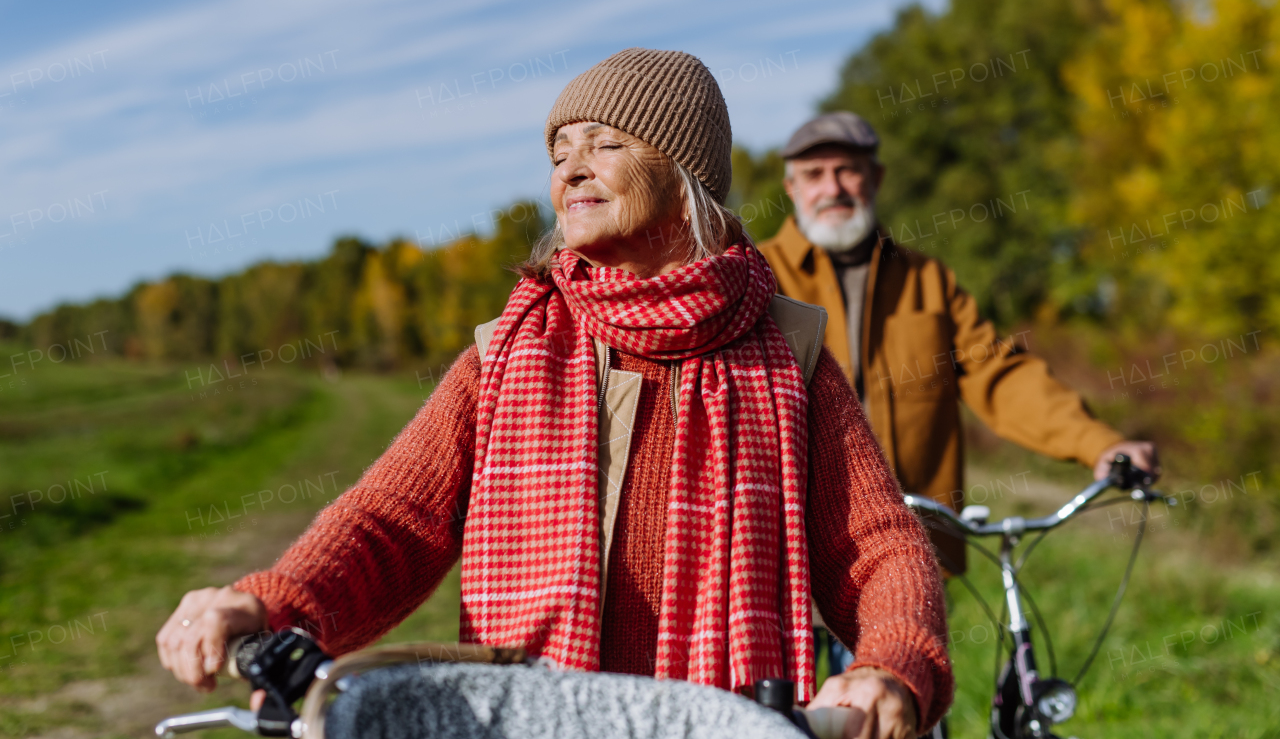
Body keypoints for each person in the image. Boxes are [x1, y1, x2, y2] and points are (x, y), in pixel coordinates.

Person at [156, 50, 954, 738]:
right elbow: (394, 519)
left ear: (685, 177)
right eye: (559, 150)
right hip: (528, 713)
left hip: (725, 714)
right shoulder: (508, 349)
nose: (571, 166)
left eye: (605, 143)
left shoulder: (787, 349)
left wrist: (893, 662)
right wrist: (273, 601)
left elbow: (874, 544)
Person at [758, 111, 1160, 670]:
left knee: (902, 718)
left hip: (903, 557)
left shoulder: (928, 281)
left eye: (847, 171)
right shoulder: (758, 277)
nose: (833, 187)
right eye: (816, 173)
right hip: (783, 560)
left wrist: (1098, 443)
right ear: (791, 187)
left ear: (875, 178)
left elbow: (1001, 376)